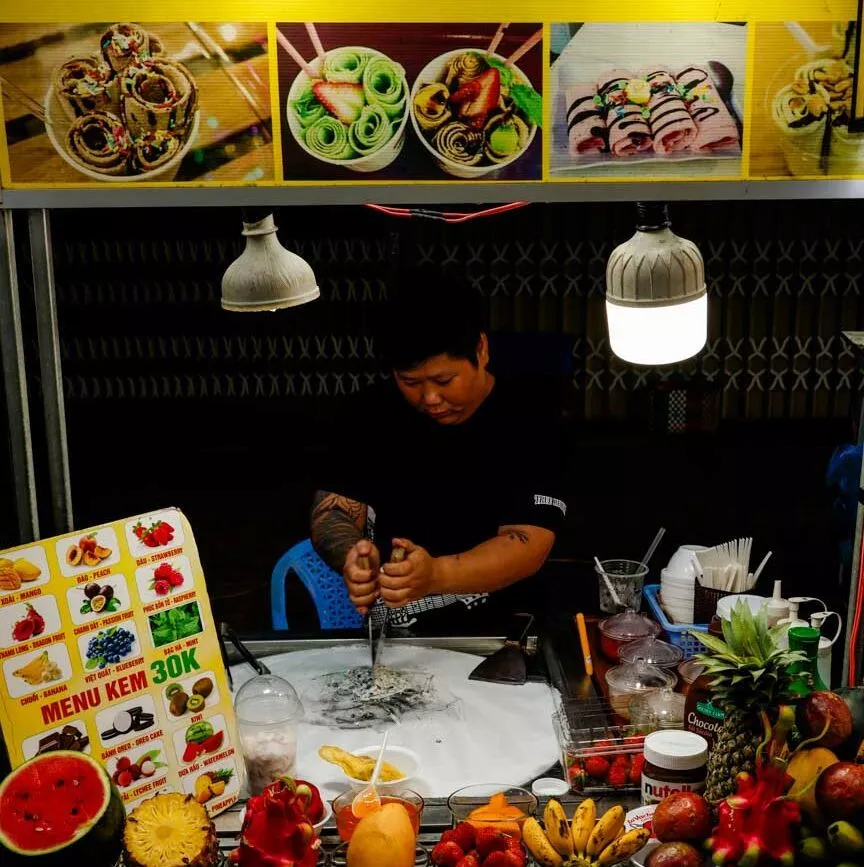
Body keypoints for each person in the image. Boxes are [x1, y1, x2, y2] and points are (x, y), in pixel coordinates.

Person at [310, 268, 567, 630]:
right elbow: (331, 513)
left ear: (481, 349)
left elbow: (529, 545)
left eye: (444, 380)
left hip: (504, 638)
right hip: (396, 641)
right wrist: (353, 555)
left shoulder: (531, 419)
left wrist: (436, 574)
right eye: (410, 382)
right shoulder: (367, 414)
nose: (430, 398)